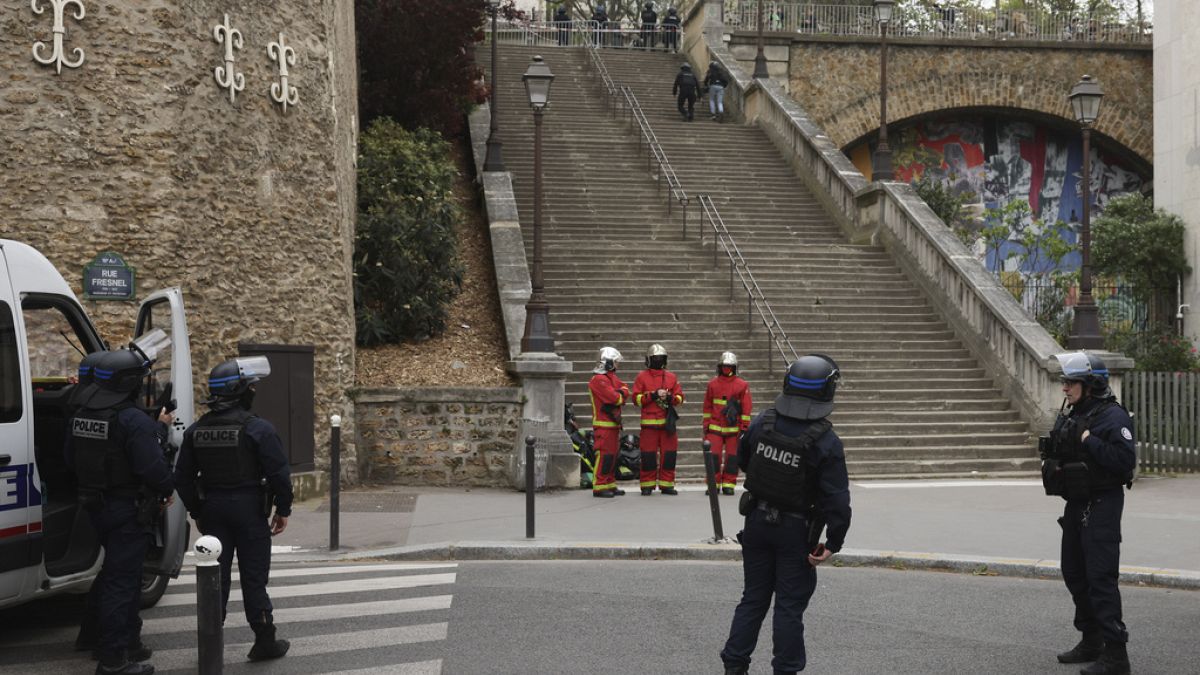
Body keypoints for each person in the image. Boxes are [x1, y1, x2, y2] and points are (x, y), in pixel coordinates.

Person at [720, 355, 851, 675]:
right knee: (789, 608)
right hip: (796, 531)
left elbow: (745, 463)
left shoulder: (761, 422)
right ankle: (786, 670)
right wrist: (833, 541)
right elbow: (837, 500)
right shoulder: (826, 441)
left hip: (757, 525)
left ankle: (734, 666)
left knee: (753, 599)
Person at [174, 356, 294, 661]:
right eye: (250, 386)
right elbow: (279, 474)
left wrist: (198, 511)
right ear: (240, 391)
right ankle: (265, 640)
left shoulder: (196, 431)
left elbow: (182, 478)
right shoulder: (258, 429)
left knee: (215, 579)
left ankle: (210, 644)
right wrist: (283, 509)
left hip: (213, 509)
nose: (254, 390)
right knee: (254, 578)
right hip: (249, 510)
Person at [65, 347, 175, 675]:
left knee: (113, 572)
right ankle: (113, 658)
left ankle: (108, 638)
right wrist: (167, 486)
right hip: (127, 508)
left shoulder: (82, 414)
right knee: (123, 581)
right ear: (131, 384)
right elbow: (152, 466)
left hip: (95, 505)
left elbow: (70, 459)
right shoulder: (133, 420)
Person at [1040, 352, 1135, 675]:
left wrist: (1088, 440)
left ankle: (1116, 655)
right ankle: (1091, 639)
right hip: (1077, 503)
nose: (1065, 388)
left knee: (1100, 578)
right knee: (1075, 573)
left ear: (1090, 384)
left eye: (1071, 382)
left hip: (1103, 504)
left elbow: (1124, 462)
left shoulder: (1112, 418)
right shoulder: (1074, 413)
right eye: (1065, 382)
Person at [633, 344, 684, 496]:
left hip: (667, 425)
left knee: (669, 456)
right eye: (655, 358)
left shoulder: (671, 377)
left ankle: (667, 485)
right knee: (648, 456)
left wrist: (670, 397)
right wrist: (653, 395)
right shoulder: (642, 377)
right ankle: (647, 485)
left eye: (660, 358)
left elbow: (680, 398)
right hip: (649, 426)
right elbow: (636, 399)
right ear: (649, 360)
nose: (658, 360)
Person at [703, 351, 752, 495]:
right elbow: (707, 406)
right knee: (713, 458)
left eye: (729, 366)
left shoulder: (742, 385)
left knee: (732, 458)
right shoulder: (712, 384)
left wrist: (744, 427)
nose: (727, 369)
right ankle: (713, 484)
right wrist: (706, 425)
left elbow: (746, 407)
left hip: (733, 429)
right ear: (719, 367)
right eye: (724, 366)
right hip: (714, 428)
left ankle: (729, 484)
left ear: (735, 368)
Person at [588, 346, 630, 497]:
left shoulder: (611, 378)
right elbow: (616, 398)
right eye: (616, 362)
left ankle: (609, 483)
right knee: (604, 456)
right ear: (608, 362)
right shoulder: (598, 380)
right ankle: (599, 486)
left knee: (612, 456)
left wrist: (621, 393)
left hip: (613, 425)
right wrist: (620, 394)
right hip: (603, 425)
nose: (617, 366)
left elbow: (625, 389)